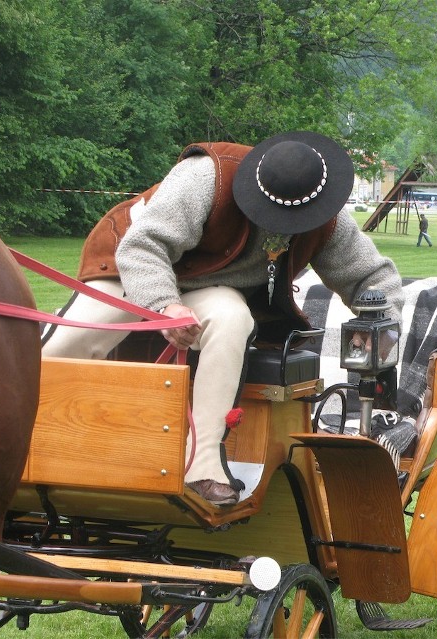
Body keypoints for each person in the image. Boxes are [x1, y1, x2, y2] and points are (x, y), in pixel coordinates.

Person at [43, 131, 404, 506]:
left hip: (206, 285)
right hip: (132, 266)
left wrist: (378, 328)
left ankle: (201, 467)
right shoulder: (205, 177)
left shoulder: (323, 212)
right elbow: (144, 246)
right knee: (73, 342)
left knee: (233, 318)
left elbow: (372, 279)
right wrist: (164, 304)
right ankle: (18, 432)